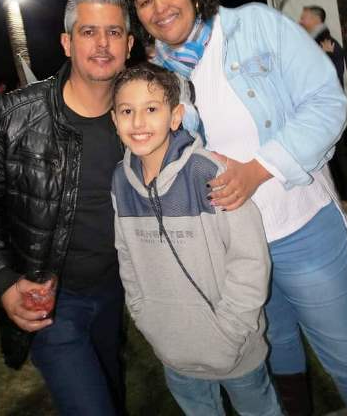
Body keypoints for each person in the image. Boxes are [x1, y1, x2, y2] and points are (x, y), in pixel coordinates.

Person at [124, 0, 347, 416]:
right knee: (275, 352)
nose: (159, 7)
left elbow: (327, 103)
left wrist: (257, 170)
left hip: (301, 229)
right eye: (144, 0)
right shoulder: (159, 79)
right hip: (234, 252)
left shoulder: (255, 26)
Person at [0, 0, 134, 415]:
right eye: (88, 32)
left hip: (115, 292)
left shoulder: (138, 119)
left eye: (114, 32)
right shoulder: (13, 115)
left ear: (129, 44)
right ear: (66, 42)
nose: (102, 44)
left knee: (112, 388)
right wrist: (4, 283)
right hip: (51, 299)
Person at [111, 63, 282, 416]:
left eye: (151, 109)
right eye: (127, 111)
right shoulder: (120, 183)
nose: (138, 122)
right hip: (173, 353)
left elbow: (250, 259)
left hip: (237, 351)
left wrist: (232, 330)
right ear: (114, 119)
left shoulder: (209, 173)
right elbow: (125, 254)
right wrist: (143, 315)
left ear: (175, 116)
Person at [299, 6, 347, 212]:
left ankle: (346, 198)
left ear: (316, 19)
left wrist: (324, 57)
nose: (300, 20)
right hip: (320, 108)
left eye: (304, 17)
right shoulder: (314, 43)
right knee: (328, 155)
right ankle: (337, 195)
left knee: (337, 154)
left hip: (331, 108)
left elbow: (333, 75)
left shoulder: (327, 43)